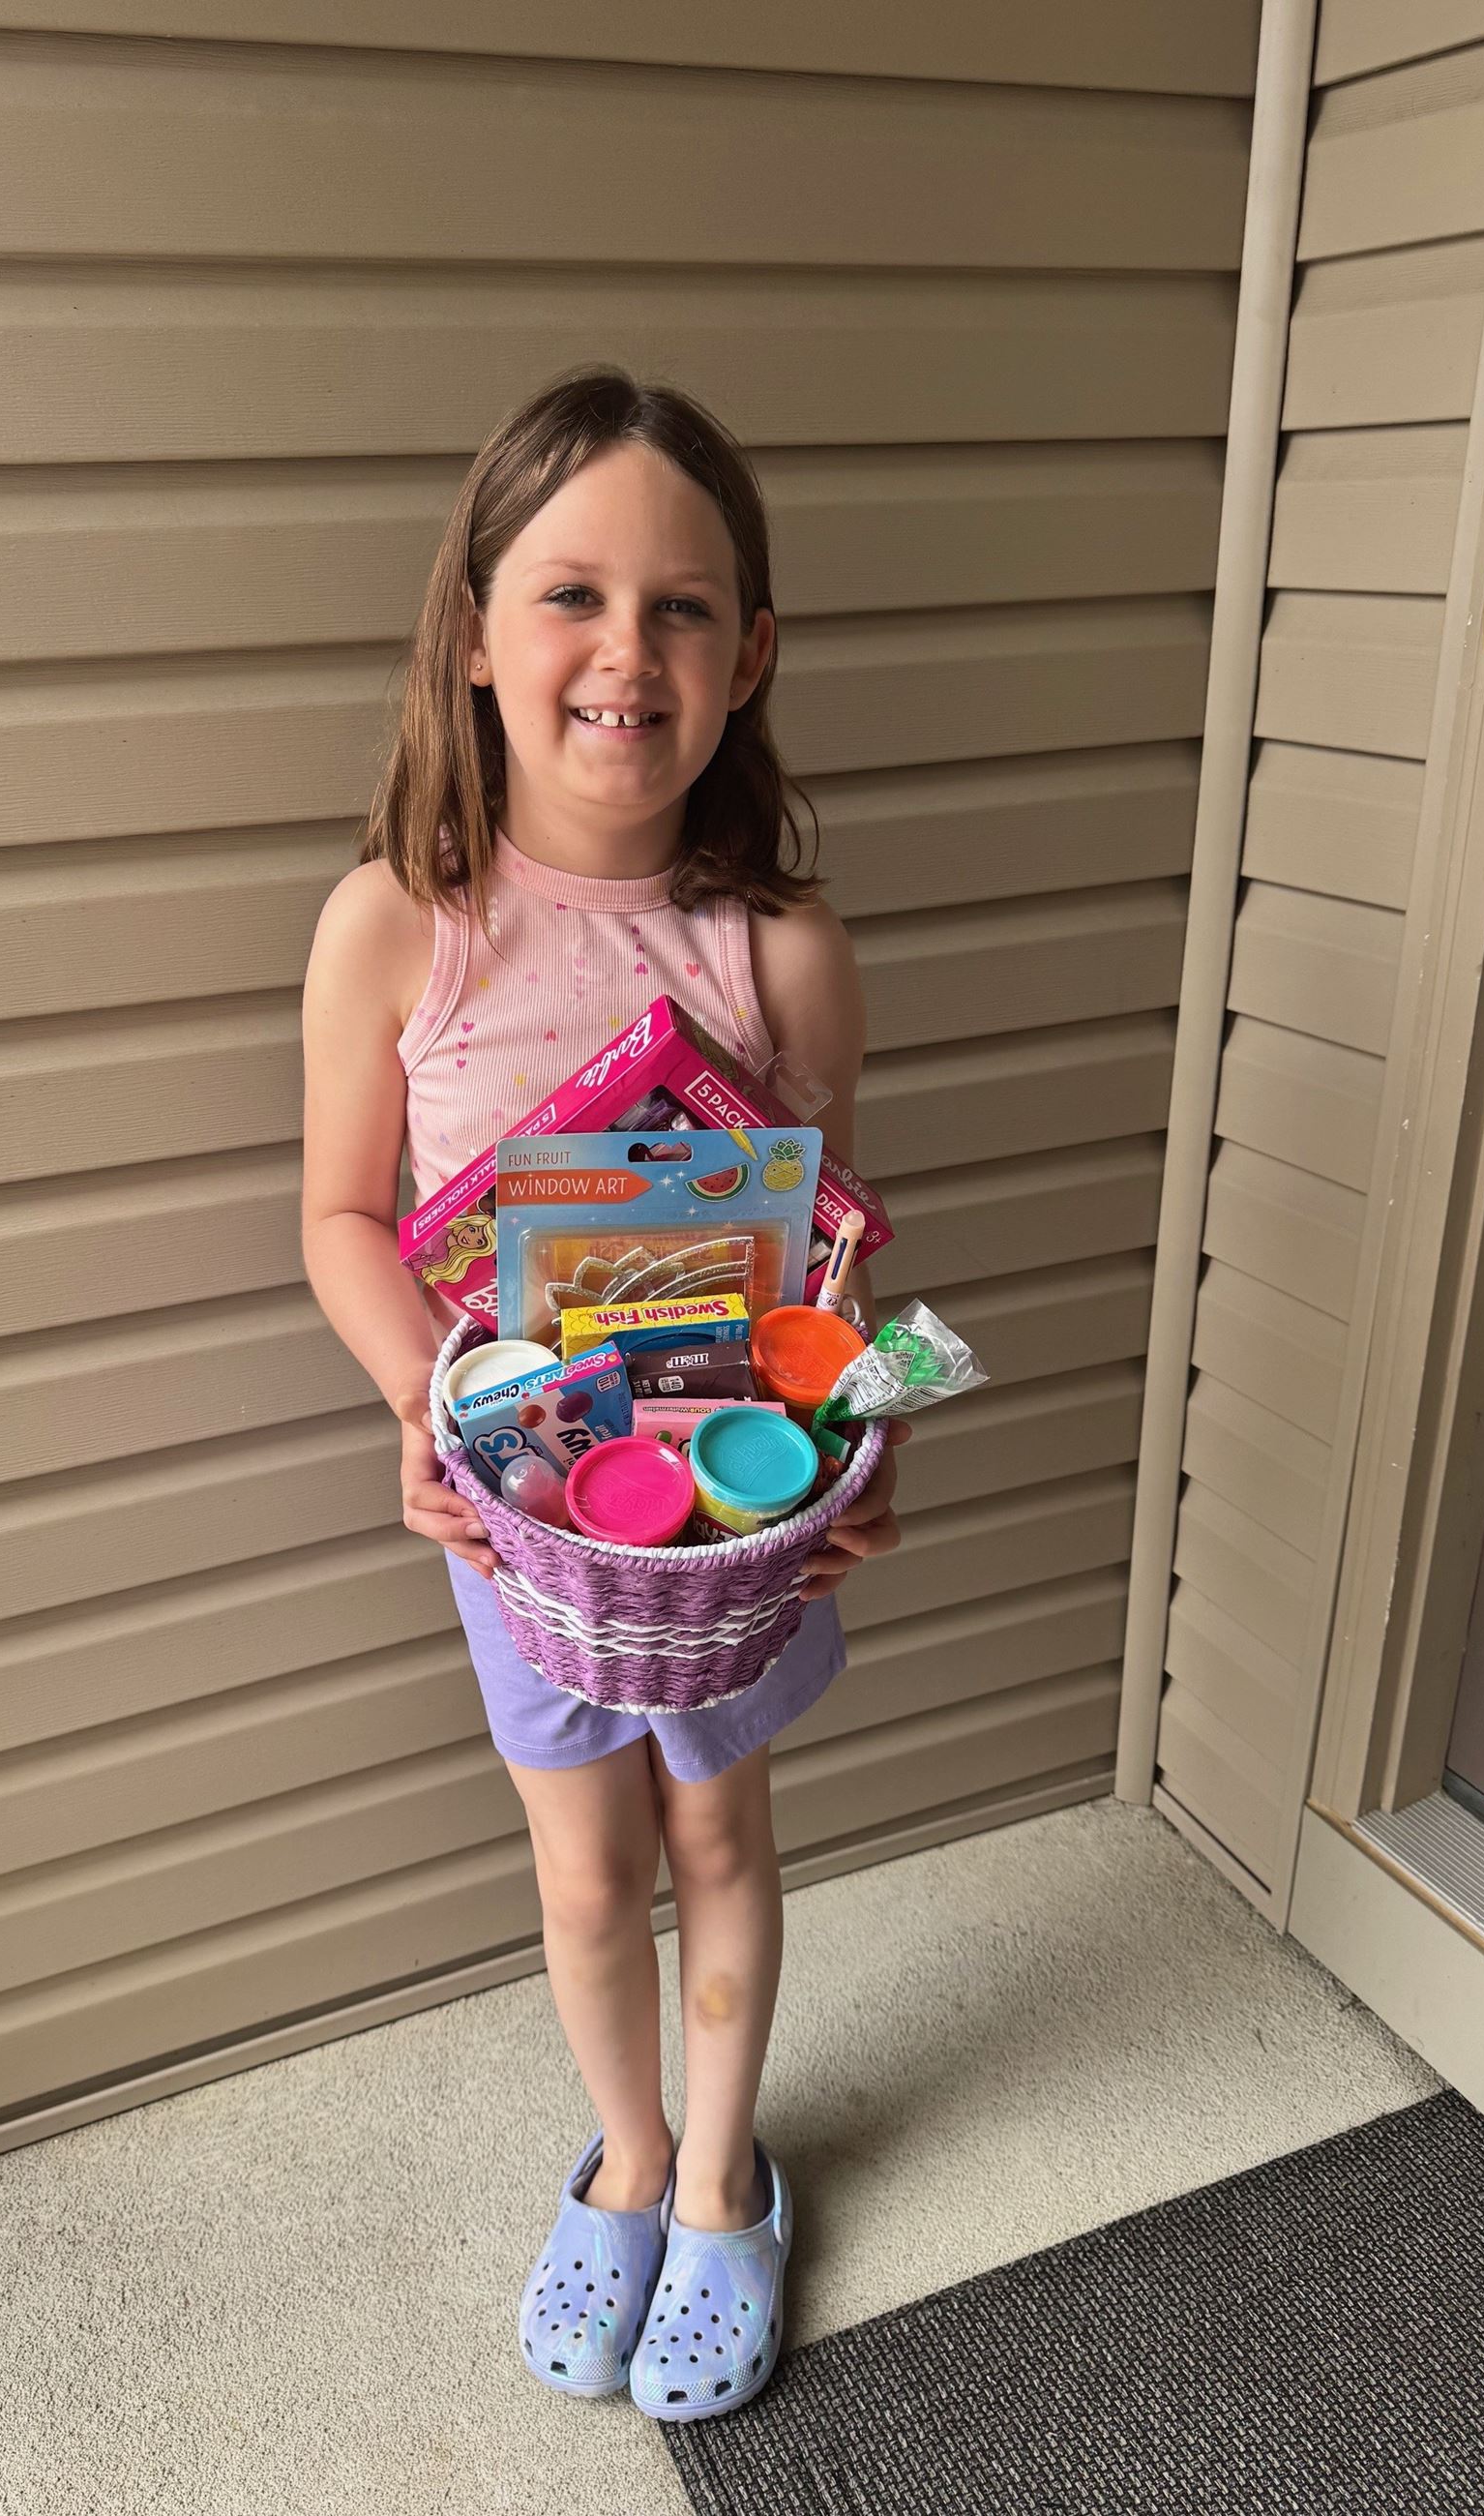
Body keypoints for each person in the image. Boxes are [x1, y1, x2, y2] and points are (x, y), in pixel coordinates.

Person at [299, 366, 905, 2423]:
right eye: (570, 596)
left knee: (722, 1827)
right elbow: (341, 1214)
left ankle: (728, 2183)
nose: (622, 654)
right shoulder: (402, 925)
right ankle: (628, 2157)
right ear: (474, 631)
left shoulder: (782, 949)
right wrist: (419, 1398)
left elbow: (819, 1262)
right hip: (525, 1525)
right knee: (583, 1871)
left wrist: (842, 1445)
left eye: (680, 609)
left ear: (751, 658)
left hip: (726, 1526)